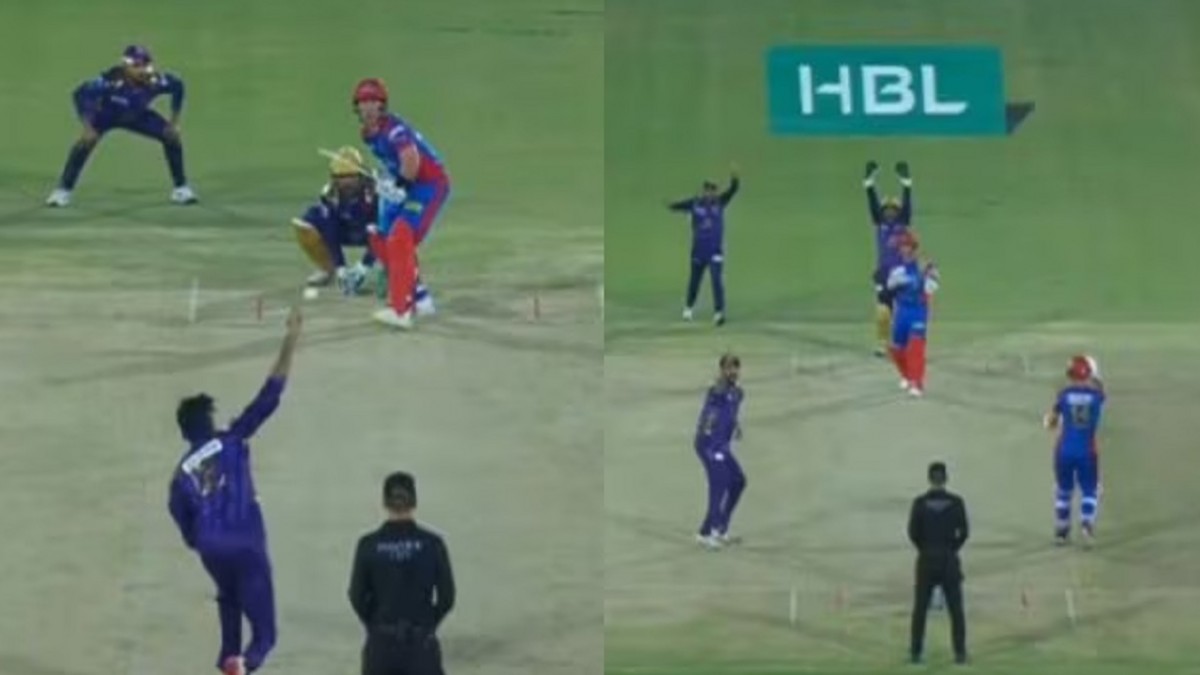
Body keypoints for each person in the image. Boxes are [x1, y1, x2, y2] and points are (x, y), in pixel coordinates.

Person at [168, 306, 302, 675]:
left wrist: (203, 539)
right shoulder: (232, 439)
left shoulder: (179, 476)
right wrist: (291, 340)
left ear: (184, 432)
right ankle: (245, 664)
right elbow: (270, 395)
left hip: (212, 548)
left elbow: (184, 526)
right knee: (264, 636)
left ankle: (229, 657)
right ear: (210, 422)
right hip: (245, 543)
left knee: (229, 599)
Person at [352, 78, 451, 330]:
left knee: (400, 236)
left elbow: (411, 160)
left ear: (382, 105)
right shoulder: (367, 134)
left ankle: (401, 310)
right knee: (381, 237)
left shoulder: (394, 130)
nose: (368, 107)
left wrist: (400, 186)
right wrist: (386, 181)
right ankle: (420, 298)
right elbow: (394, 162)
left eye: (373, 101)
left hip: (429, 185)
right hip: (410, 184)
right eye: (363, 102)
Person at [47, 44, 197, 207]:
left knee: (171, 137)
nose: (143, 70)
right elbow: (80, 94)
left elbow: (178, 86)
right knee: (85, 142)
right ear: (126, 66)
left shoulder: (156, 81)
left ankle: (181, 189)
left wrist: (174, 122)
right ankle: (63, 190)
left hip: (137, 116)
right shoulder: (110, 82)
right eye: (137, 66)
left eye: (146, 65)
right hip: (107, 116)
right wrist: (88, 127)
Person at [349, 472, 456, 675]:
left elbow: (356, 596)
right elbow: (447, 598)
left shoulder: (368, 545)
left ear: (385, 503)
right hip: (421, 646)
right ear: (414, 502)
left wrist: (376, 624)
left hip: (381, 647)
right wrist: (427, 624)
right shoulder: (433, 544)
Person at [292, 146, 378, 294]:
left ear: (360, 175)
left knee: (396, 226)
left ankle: (393, 272)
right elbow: (330, 230)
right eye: (340, 177)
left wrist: (364, 266)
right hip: (347, 231)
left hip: (372, 232)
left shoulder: (376, 192)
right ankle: (327, 270)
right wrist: (340, 267)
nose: (345, 182)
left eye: (350, 176)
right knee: (305, 223)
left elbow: (384, 229)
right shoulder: (330, 195)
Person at [907, 461, 969, 665]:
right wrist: (952, 549)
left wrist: (925, 549)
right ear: (945, 479)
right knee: (956, 610)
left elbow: (913, 533)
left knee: (920, 609)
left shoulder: (919, 504)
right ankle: (959, 653)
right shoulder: (956, 503)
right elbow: (964, 532)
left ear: (929, 479)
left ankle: (916, 652)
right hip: (949, 560)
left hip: (926, 560)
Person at [1043, 354, 1106, 547]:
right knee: (1090, 490)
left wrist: (1052, 420)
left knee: (1063, 491)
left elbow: (1050, 423)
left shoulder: (1063, 395)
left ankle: (1062, 531)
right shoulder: (1097, 397)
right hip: (1087, 450)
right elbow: (1100, 390)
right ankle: (1086, 524)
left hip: (1064, 450)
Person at [667, 165, 740, 326]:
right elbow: (680, 206)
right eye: (707, 190)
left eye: (712, 190)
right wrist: (671, 206)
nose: (710, 193)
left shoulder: (720, 202)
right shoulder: (695, 204)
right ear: (704, 191)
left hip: (715, 251)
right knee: (694, 281)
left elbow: (732, 191)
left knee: (716, 281)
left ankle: (719, 313)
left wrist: (735, 181)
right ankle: (688, 308)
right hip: (698, 251)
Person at [693, 353, 746, 550]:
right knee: (720, 482)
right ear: (722, 370)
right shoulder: (717, 390)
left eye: (735, 368)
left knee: (739, 481)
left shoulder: (738, 393)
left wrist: (736, 426)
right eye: (728, 368)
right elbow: (718, 391)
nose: (732, 371)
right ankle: (711, 533)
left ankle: (715, 529)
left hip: (722, 446)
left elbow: (731, 411)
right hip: (708, 444)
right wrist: (722, 382)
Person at [863, 161, 914, 355]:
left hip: (901, 275)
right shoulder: (880, 223)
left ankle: (903, 344)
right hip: (884, 274)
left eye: (894, 209)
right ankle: (883, 344)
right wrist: (869, 182)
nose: (890, 212)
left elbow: (907, 206)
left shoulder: (903, 223)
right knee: (883, 311)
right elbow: (872, 204)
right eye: (887, 209)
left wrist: (906, 183)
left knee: (904, 312)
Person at [886, 231, 940, 396]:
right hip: (902, 311)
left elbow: (932, 287)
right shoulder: (897, 268)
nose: (905, 249)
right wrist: (896, 282)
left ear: (914, 248)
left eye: (908, 246)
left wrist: (929, 277)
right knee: (897, 348)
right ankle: (907, 375)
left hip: (918, 310)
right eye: (902, 246)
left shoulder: (924, 266)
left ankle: (917, 384)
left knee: (916, 346)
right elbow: (889, 287)